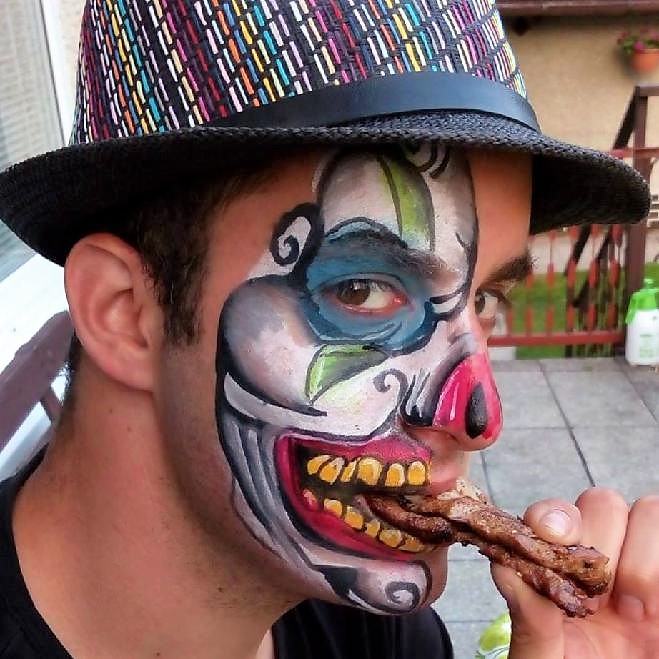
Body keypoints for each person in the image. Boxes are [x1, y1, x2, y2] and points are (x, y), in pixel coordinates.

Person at [0, 0, 655, 657]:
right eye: (361, 289)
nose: (478, 417)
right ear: (121, 311)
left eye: (482, 297)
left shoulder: (372, 629)